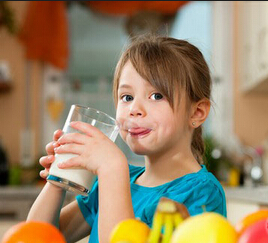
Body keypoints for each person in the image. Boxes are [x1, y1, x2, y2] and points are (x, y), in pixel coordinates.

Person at [27, 35, 227, 243]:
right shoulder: (118, 180)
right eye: (127, 97)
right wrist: (58, 182)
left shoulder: (202, 193)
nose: (134, 109)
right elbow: (36, 238)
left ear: (197, 112)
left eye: (156, 96)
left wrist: (112, 168)